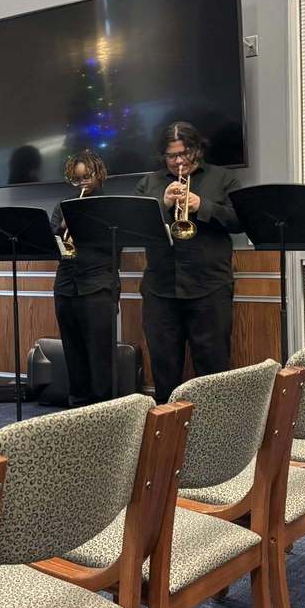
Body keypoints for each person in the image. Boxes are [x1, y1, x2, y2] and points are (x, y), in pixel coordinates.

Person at [134, 122, 243, 404]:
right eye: (172, 156)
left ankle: (215, 424)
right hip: (160, 289)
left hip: (210, 287)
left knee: (213, 368)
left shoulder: (223, 178)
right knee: (164, 368)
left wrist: (201, 205)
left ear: (198, 149)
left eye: (185, 153)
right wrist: (163, 204)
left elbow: (240, 221)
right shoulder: (149, 183)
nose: (179, 161)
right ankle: (168, 426)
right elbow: (134, 228)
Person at [50, 150, 118, 405]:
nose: (83, 183)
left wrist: (84, 227)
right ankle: (77, 402)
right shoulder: (62, 206)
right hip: (66, 284)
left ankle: (102, 407)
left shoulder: (110, 205)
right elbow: (51, 244)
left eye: (87, 176)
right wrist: (62, 228)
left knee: (100, 352)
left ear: (99, 174)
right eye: (77, 179)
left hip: (98, 284)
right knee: (72, 348)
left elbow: (117, 245)